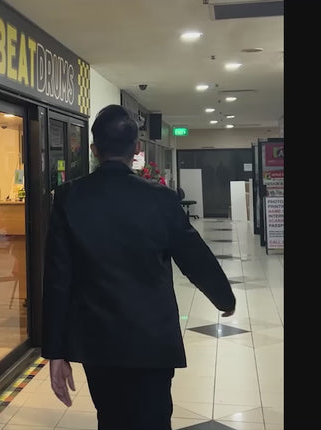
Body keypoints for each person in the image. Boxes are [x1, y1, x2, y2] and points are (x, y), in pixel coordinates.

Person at [42, 105, 236, 430]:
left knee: (110, 418)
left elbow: (57, 279)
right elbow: (194, 257)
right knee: (154, 418)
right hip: (152, 338)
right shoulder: (161, 199)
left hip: (98, 340)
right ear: (136, 149)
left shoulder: (69, 198)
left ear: (94, 150)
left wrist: (55, 351)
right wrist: (224, 298)